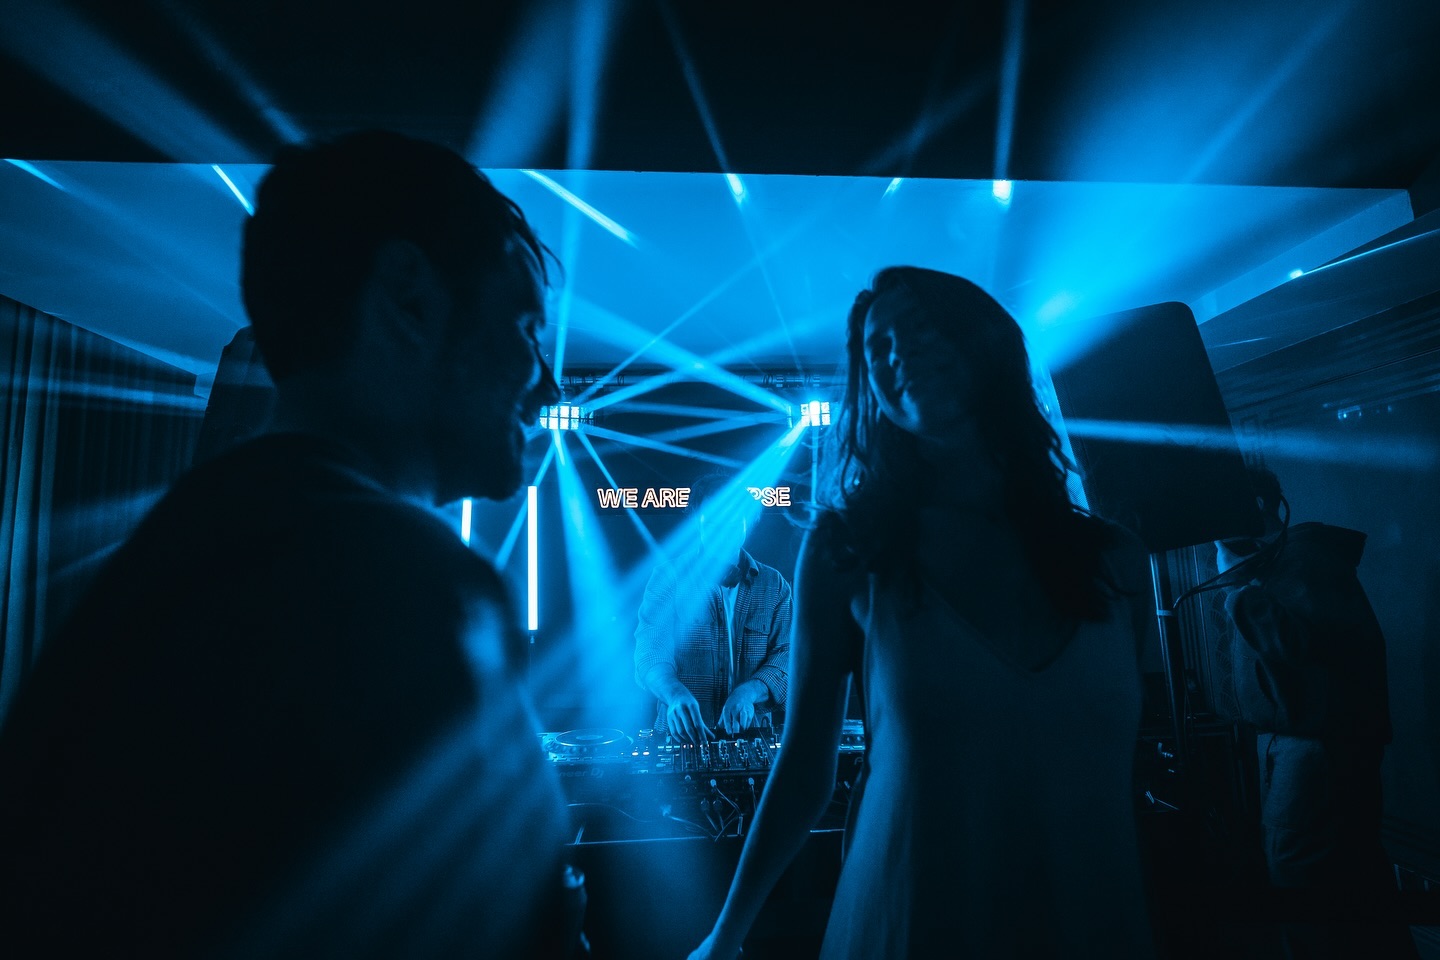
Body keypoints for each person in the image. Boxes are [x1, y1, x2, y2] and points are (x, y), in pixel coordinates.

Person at [0, 132, 579, 958]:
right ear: (408, 300)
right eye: (525, 330)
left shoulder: (177, 555)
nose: (548, 385)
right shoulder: (407, 584)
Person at [690, 267, 1155, 959]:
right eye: (880, 347)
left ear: (986, 344)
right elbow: (803, 769)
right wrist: (725, 938)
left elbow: (1132, 764)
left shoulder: (1114, 558)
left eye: (923, 329)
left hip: (1095, 922)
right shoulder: (848, 552)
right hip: (907, 919)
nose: (900, 353)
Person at [1216, 468, 1416, 958]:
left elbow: (1296, 645)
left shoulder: (1306, 560)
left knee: (1301, 881)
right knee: (1354, 885)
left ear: (1258, 506)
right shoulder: (1286, 563)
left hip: (1313, 754)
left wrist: (1238, 588)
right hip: (1310, 749)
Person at [633, 473, 792, 743]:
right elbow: (649, 653)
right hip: (679, 737)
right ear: (698, 521)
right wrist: (675, 694)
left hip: (753, 737)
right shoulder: (668, 577)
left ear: (748, 519)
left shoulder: (774, 584)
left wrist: (749, 692)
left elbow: (788, 655)